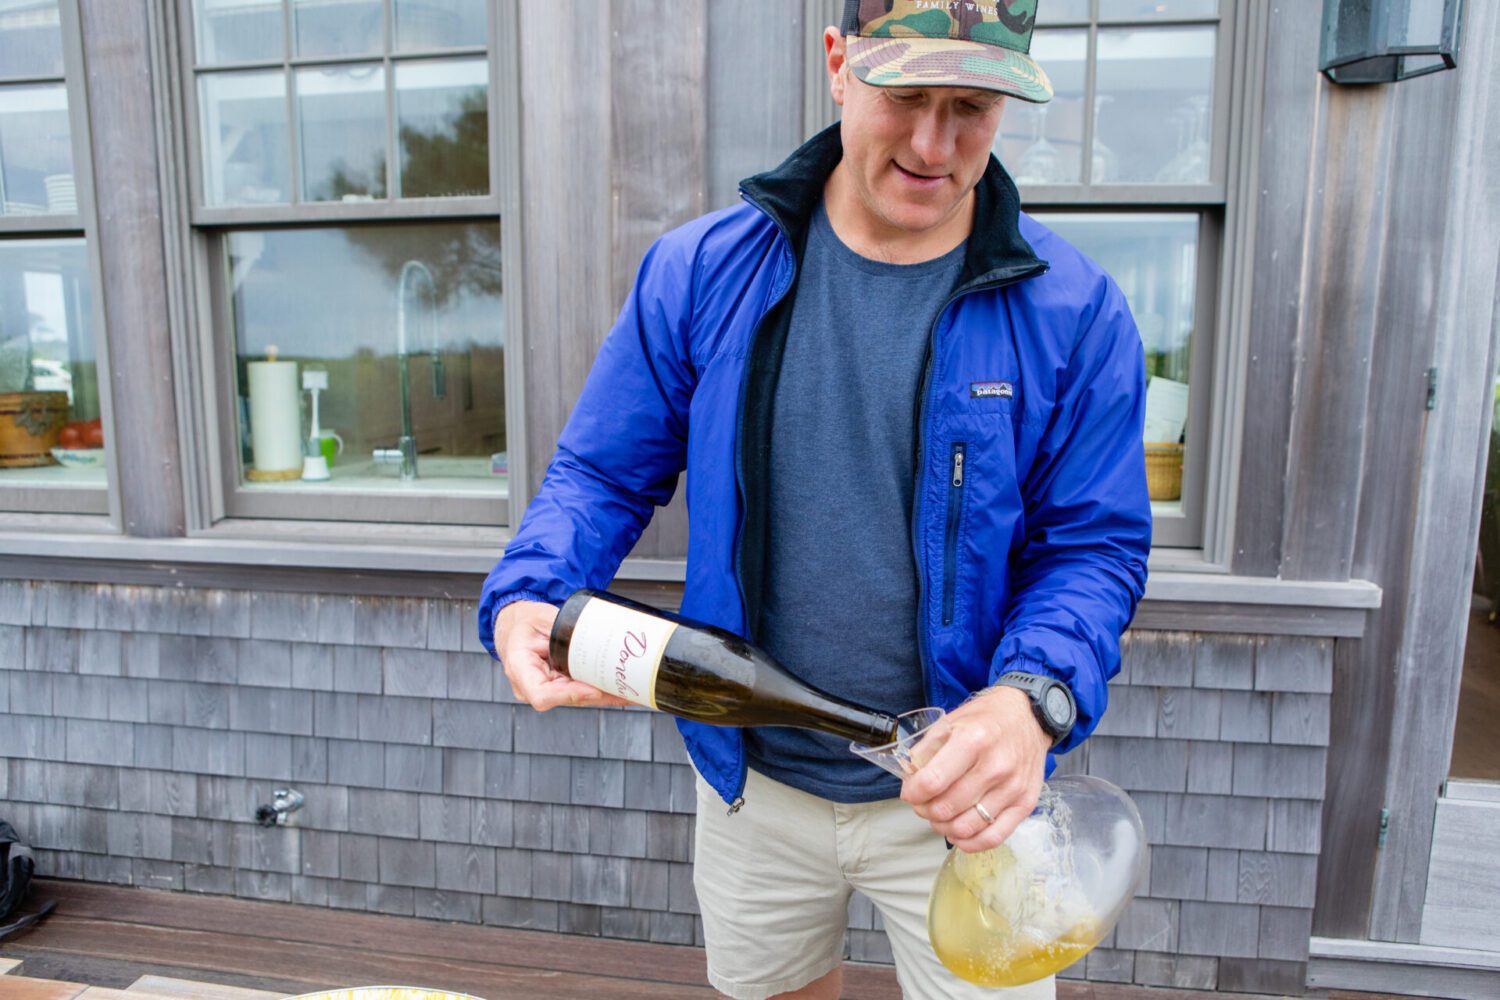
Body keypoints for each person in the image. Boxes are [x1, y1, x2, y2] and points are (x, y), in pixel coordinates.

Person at [479, 1, 1150, 996]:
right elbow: (601, 474)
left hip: (969, 802)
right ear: (840, 64)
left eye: (971, 106)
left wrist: (1029, 700)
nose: (934, 145)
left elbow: (1091, 549)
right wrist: (532, 588)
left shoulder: (1076, 311)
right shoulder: (701, 272)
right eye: (906, 94)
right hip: (757, 783)